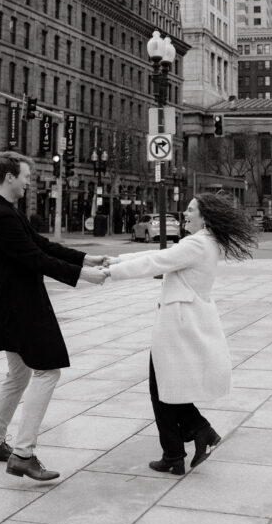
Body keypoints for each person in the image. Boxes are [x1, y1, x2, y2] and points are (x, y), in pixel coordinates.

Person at [0, 151, 108, 482]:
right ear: (10, 176)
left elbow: (42, 245)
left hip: (10, 303)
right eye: (26, 176)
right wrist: (83, 276)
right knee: (48, 370)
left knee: (19, 375)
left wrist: (86, 258)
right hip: (19, 306)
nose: (30, 182)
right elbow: (35, 258)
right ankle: (23, 454)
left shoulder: (5, 211)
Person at [103, 193, 256, 475]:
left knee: (161, 387)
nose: (184, 214)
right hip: (181, 320)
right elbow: (157, 255)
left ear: (205, 216)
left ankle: (187, 443)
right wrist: (115, 259)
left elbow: (156, 262)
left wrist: (112, 271)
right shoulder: (201, 242)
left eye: (190, 210)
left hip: (179, 324)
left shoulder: (199, 243)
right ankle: (182, 446)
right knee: (165, 387)